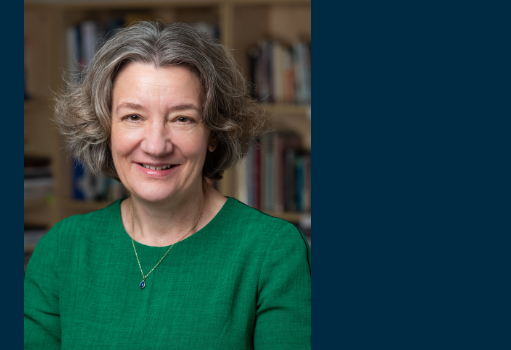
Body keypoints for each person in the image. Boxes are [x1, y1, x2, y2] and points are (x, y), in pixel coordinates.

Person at [24, 21, 310, 349]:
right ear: (106, 128)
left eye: (182, 119)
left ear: (214, 134)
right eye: (133, 117)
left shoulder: (273, 252)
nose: (156, 145)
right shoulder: (62, 249)